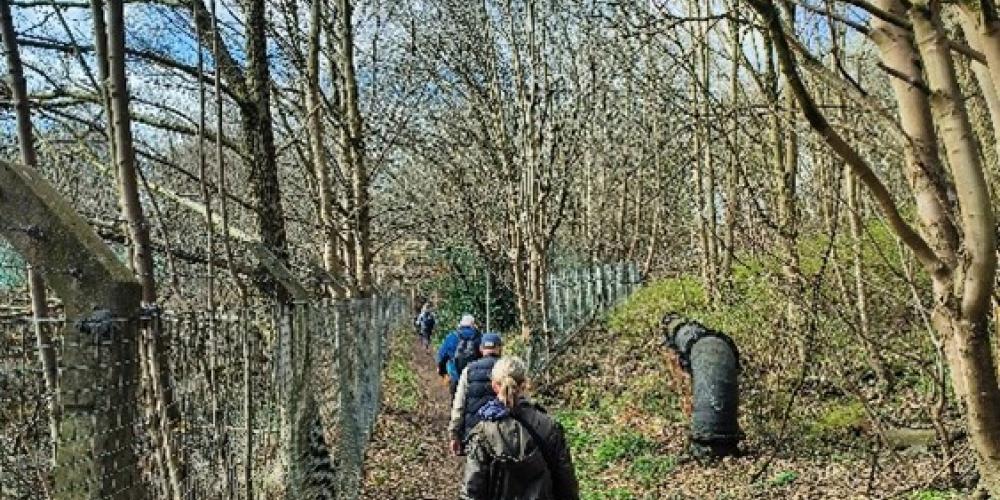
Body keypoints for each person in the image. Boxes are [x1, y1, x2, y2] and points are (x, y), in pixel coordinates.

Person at [459, 356, 580, 500]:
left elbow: (472, 489)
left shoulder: (483, 432)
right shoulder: (549, 426)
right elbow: (566, 482)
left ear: (494, 385)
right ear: (525, 384)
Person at [448, 332, 503, 455]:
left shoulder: (469, 370)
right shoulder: (507, 369)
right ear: (500, 348)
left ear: (481, 349)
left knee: (475, 471)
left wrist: (454, 433)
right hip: (502, 435)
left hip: (474, 435)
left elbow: (459, 405)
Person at [437, 314, 482, 396]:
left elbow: (442, 357)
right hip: (475, 379)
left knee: (456, 403)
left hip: (456, 377)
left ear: (461, 324)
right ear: (473, 324)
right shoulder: (479, 337)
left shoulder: (452, 337)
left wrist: (442, 372)